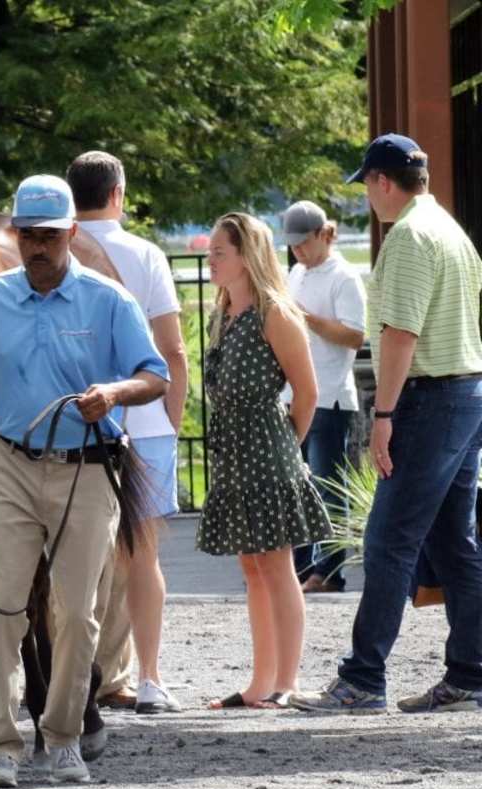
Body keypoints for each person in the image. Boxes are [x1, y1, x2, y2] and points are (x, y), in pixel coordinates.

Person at [0, 175, 168, 787]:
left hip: (89, 468)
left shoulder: (108, 301)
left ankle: (65, 736)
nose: (37, 247)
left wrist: (114, 391)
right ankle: (1, 746)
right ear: (16, 235)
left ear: (71, 233)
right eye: (27, 236)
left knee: (77, 614)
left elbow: (154, 375)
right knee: (5, 607)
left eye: (49, 236)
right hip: (13, 465)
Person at [292, 134, 482, 714]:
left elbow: (400, 335)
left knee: (387, 541)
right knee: (454, 541)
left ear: (381, 181)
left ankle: (363, 678)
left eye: (367, 185)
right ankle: (471, 674)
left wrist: (383, 415)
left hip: (430, 399)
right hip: (468, 392)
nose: (368, 199)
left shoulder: (407, 238)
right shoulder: (451, 232)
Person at [67, 151, 188, 715]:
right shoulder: (144, 254)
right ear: (117, 192)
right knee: (143, 558)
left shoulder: (54, 250)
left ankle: (68, 675)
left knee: (69, 556)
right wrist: (170, 420)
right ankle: (150, 677)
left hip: (71, 422)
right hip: (140, 421)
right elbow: (173, 350)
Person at [196, 212, 331, 710]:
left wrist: (285, 451)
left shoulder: (275, 311)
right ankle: (260, 682)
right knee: (252, 567)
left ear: (246, 256)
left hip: (267, 451)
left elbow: (308, 392)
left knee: (276, 568)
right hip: (234, 454)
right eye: (210, 251)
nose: (210, 259)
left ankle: (286, 681)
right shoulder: (223, 311)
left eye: (219, 252)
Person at [277, 201, 366, 593]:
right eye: (293, 245)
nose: (297, 251)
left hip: (329, 395)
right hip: (293, 394)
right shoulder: (296, 273)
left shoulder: (344, 277)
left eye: (303, 243)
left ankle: (329, 570)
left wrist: (305, 318)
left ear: (324, 235)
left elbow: (354, 335)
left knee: (327, 485)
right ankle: (300, 566)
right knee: (296, 484)